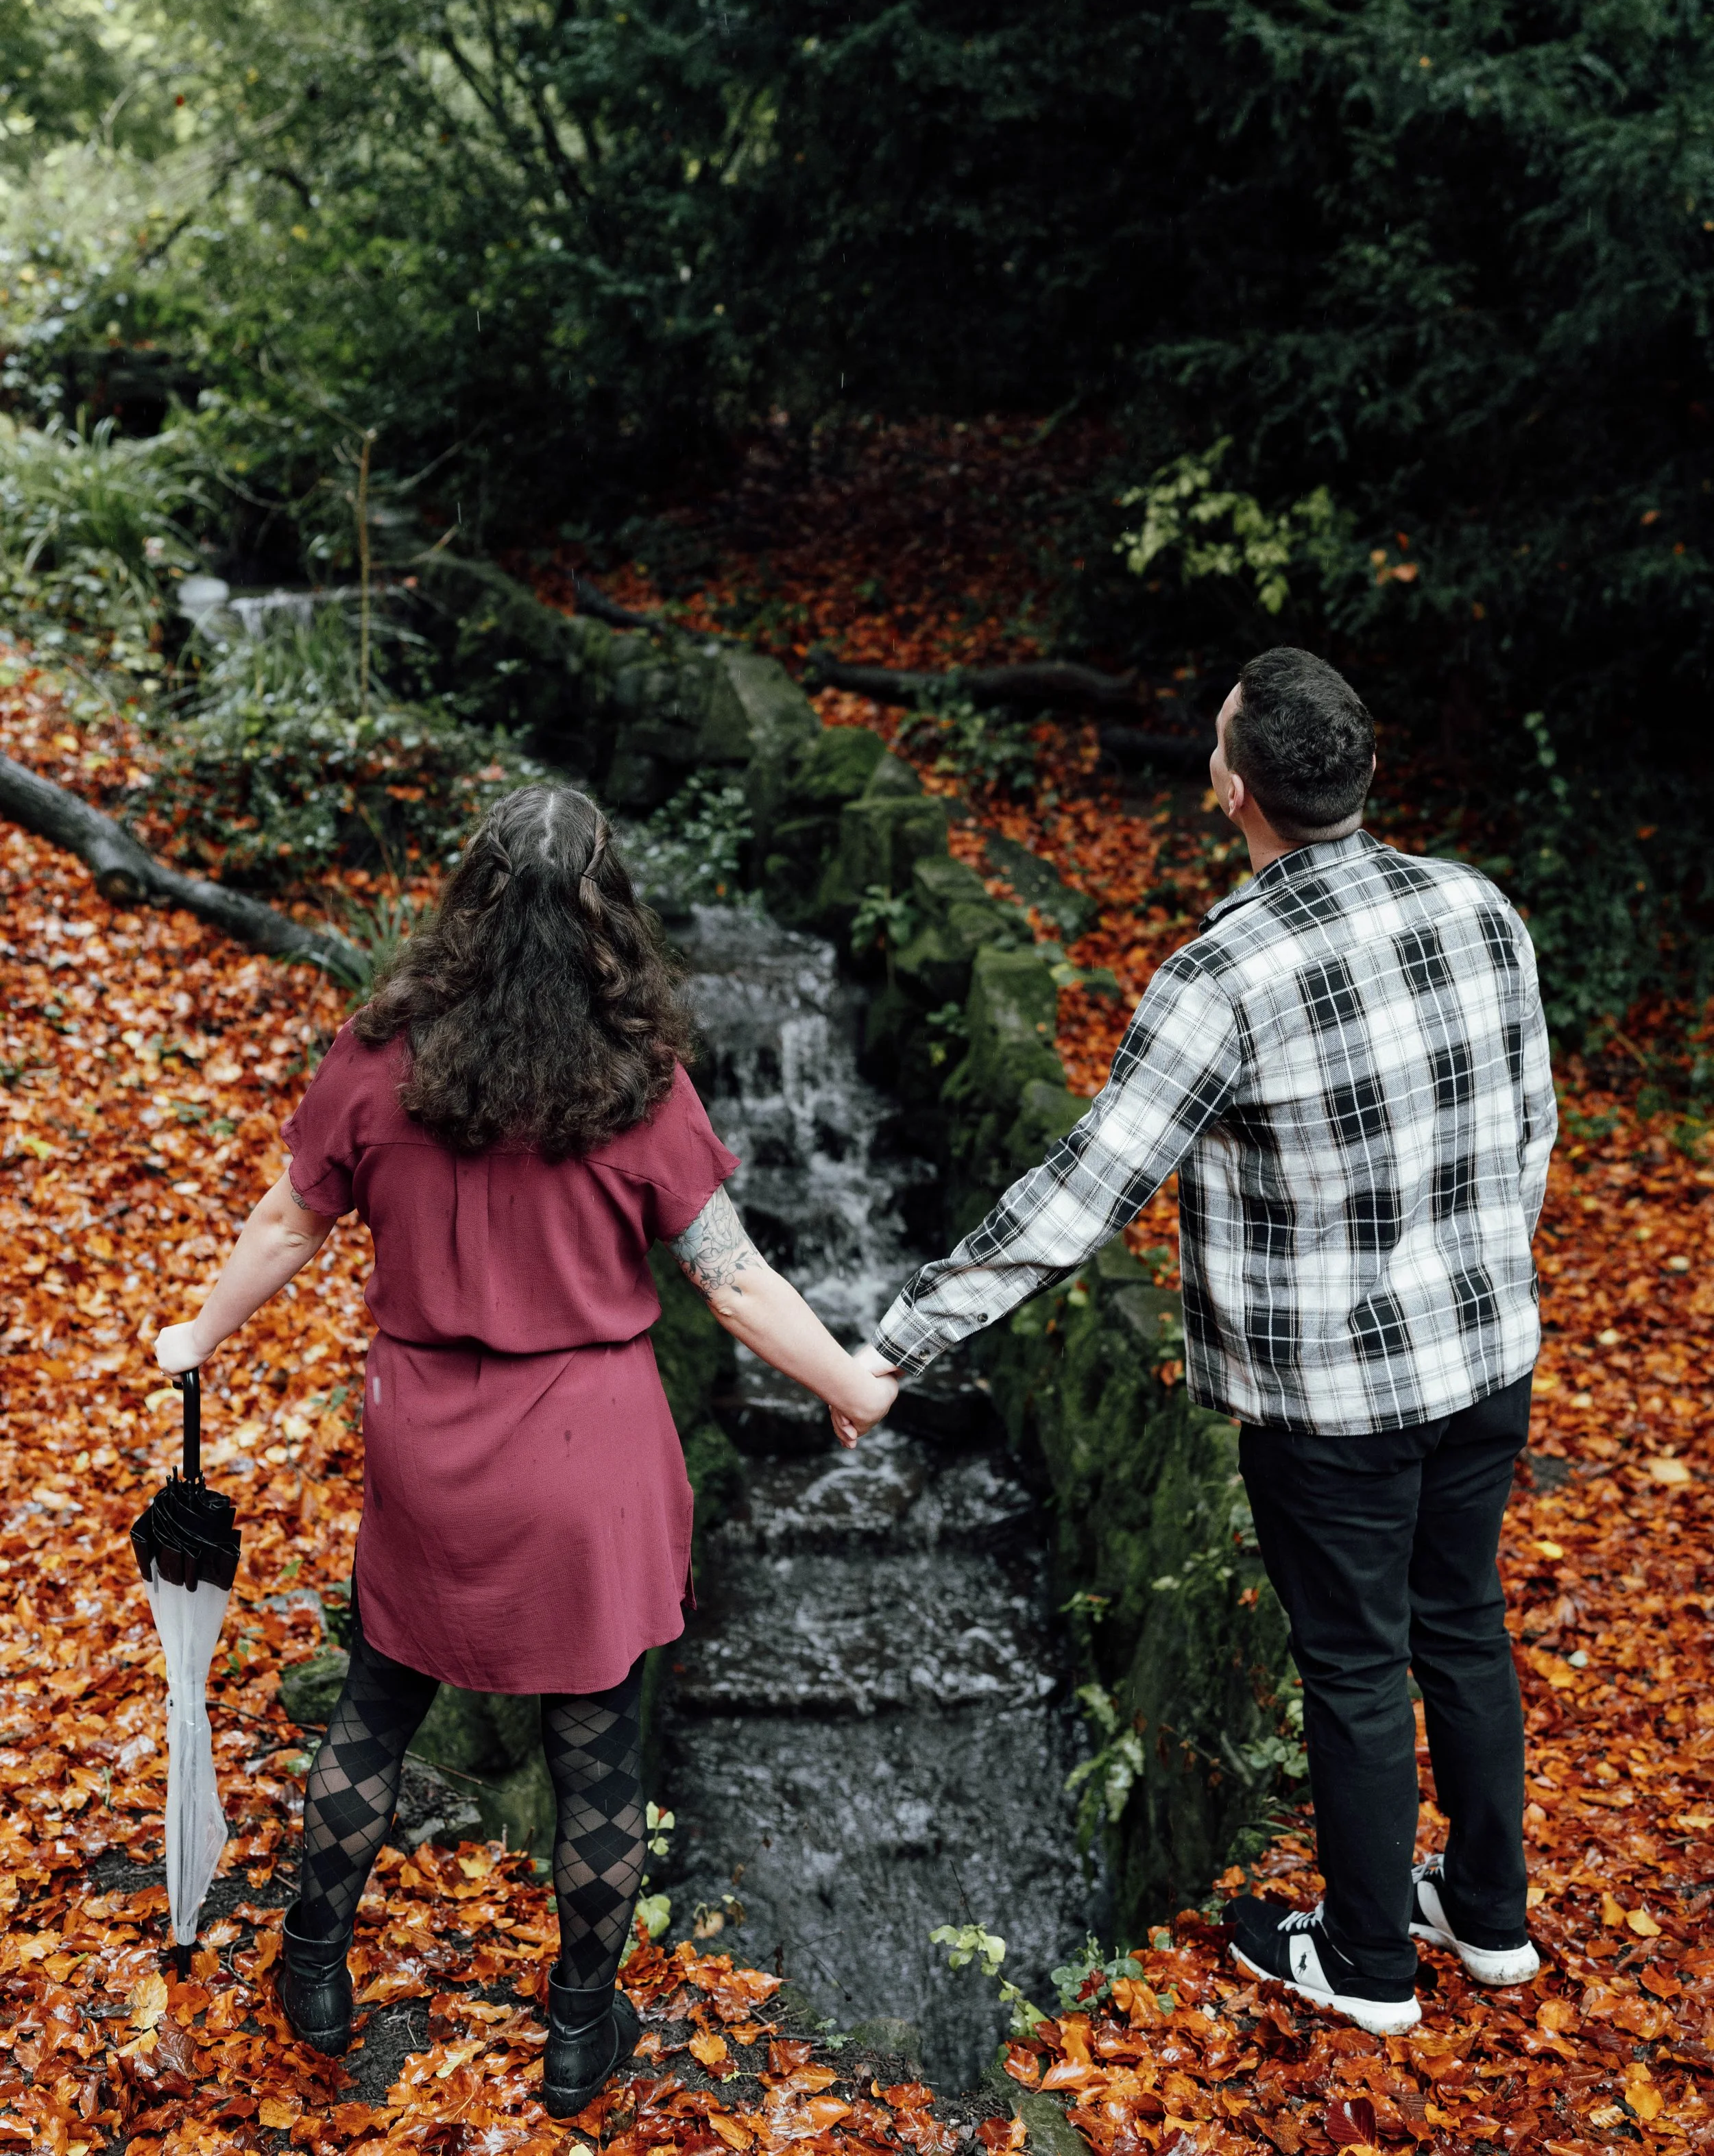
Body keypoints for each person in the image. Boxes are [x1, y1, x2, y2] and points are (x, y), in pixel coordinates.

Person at [155, 786, 898, 2113]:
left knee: (376, 1709)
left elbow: (284, 1224)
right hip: (587, 1463)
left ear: (466, 903)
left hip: (428, 1449)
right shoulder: (634, 1084)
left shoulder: (378, 1061)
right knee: (595, 1755)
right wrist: (848, 1382)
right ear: (604, 916)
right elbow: (729, 1283)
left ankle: (314, 1965)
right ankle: (575, 2031)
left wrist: (194, 1334)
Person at [858, 646, 1555, 2035]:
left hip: (1335, 1403)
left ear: (1227, 786)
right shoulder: (1477, 906)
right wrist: (1479, 1273)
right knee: (1461, 1627)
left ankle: (1362, 1962)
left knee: (1354, 1665)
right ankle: (1486, 1919)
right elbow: (1526, 1124)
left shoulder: (1221, 971)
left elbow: (1081, 1194)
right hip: (1481, 1358)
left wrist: (901, 1338)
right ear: (1364, 772)